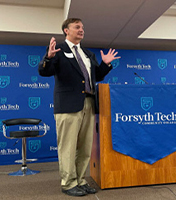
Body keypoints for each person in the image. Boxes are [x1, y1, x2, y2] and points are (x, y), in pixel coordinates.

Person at [38, 18, 120, 196]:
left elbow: (96, 76)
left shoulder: (88, 53)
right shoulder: (58, 50)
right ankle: (68, 183)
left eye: (82, 27)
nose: (81, 30)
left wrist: (105, 64)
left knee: (84, 147)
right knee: (68, 146)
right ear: (66, 30)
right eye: (77, 27)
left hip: (89, 103)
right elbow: (44, 71)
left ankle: (80, 181)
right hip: (68, 105)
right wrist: (48, 58)